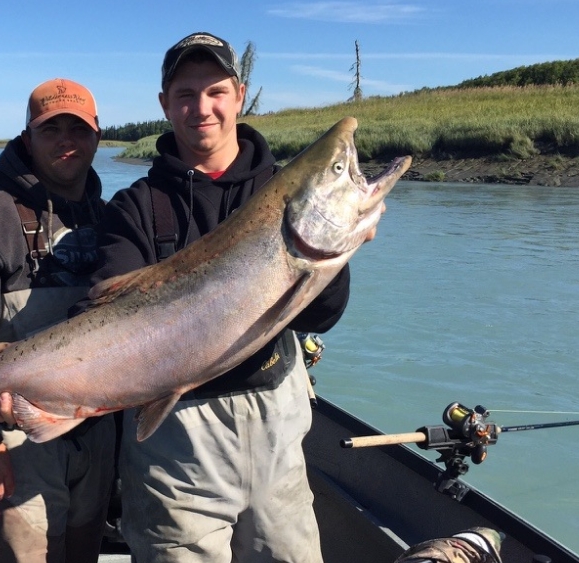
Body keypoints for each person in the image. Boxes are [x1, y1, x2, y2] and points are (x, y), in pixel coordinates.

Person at [82, 32, 363, 563]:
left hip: (279, 438)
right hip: (176, 448)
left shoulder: (284, 189)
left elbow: (323, 317)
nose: (201, 108)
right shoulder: (134, 207)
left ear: (239, 96)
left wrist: (335, 249)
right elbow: (107, 320)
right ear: (165, 105)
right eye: (185, 94)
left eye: (215, 91)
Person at [0, 78, 116, 563]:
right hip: (15, 441)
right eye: (50, 129)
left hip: (94, 431)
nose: (65, 141)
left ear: (97, 136)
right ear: (27, 138)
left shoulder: (109, 217)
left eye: (78, 129)